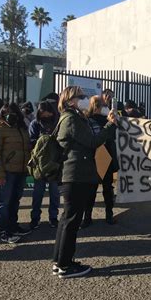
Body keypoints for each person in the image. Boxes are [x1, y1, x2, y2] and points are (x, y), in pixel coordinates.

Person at [53, 86, 117, 279]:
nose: (84, 99)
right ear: (71, 100)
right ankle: (65, 265)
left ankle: (60, 261)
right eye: (80, 97)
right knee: (71, 221)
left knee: (67, 220)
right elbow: (92, 141)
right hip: (75, 175)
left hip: (74, 175)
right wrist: (110, 125)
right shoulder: (72, 118)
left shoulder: (72, 117)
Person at [0, 103, 32, 243]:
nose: (11, 117)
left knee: (15, 200)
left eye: (14, 114)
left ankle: (13, 226)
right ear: (3, 114)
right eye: (8, 114)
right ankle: (4, 231)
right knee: (4, 202)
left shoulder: (22, 129)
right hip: (7, 172)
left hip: (21, 171)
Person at [84, 96, 119, 226]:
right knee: (107, 188)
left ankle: (87, 218)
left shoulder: (86, 120)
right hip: (106, 156)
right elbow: (113, 136)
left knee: (91, 189)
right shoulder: (107, 121)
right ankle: (109, 216)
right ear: (99, 107)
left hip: (92, 157)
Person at [29, 101, 61, 230]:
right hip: (40, 165)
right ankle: (35, 218)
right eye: (42, 112)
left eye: (47, 111)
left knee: (55, 193)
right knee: (38, 193)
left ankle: (53, 217)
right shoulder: (35, 124)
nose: (45, 114)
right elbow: (31, 141)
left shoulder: (57, 122)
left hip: (54, 164)